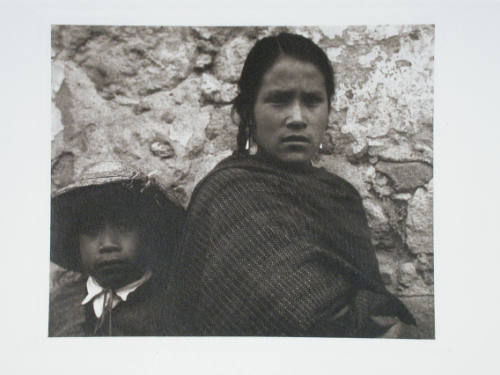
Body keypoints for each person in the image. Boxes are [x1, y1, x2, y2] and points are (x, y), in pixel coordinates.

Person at [165, 32, 416, 337]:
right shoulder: (226, 196)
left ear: (328, 111)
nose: (297, 118)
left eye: (312, 101)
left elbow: (371, 299)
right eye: (279, 100)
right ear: (248, 112)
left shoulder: (341, 197)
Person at [49, 161, 184, 336]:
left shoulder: (172, 309)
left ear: (149, 233)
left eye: (123, 226)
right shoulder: (60, 307)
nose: (108, 244)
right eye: (91, 229)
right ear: (76, 241)